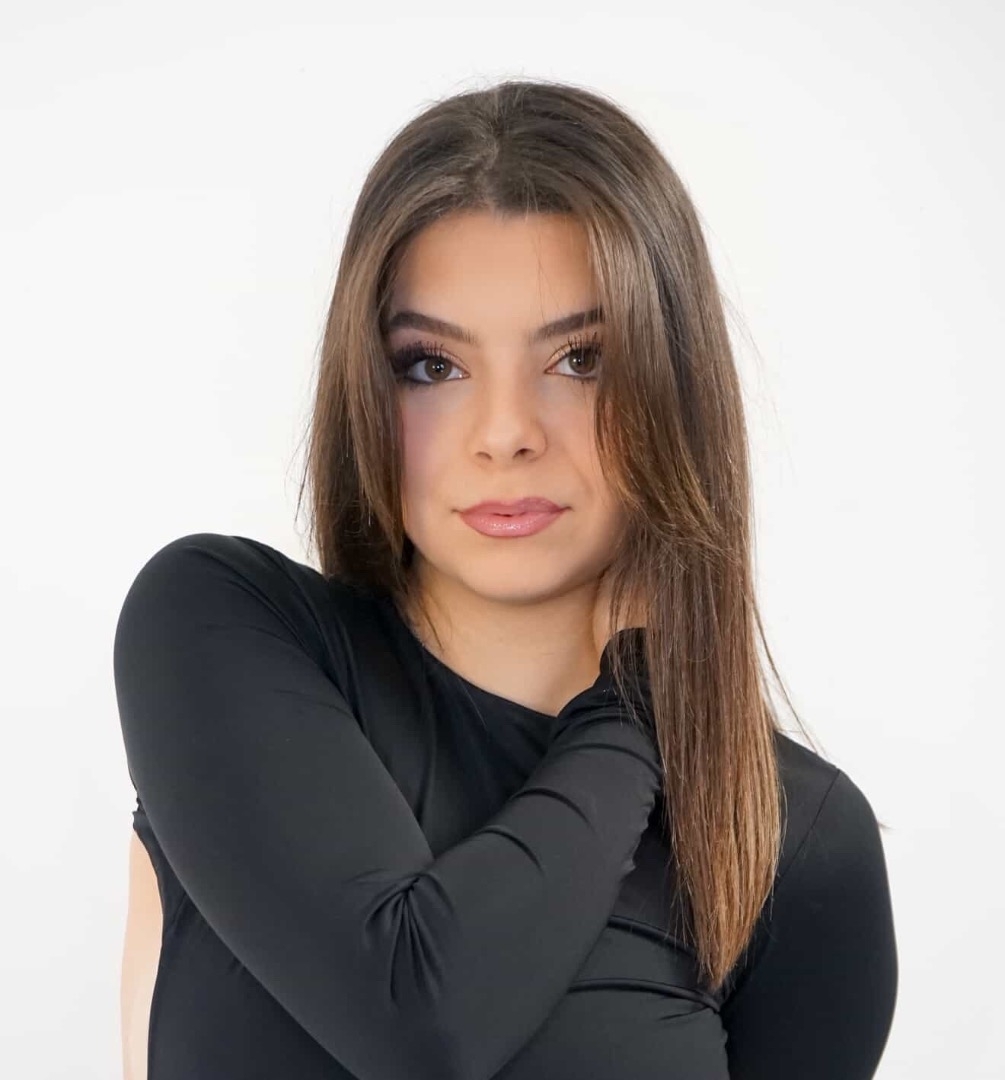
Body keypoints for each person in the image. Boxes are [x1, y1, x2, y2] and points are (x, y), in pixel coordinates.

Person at [115, 78, 897, 1080]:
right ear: (365, 387)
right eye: (432, 366)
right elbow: (417, 1022)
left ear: (674, 387)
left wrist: (651, 695)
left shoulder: (791, 835)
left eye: (580, 359)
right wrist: (634, 704)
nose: (504, 435)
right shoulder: (226, 639)